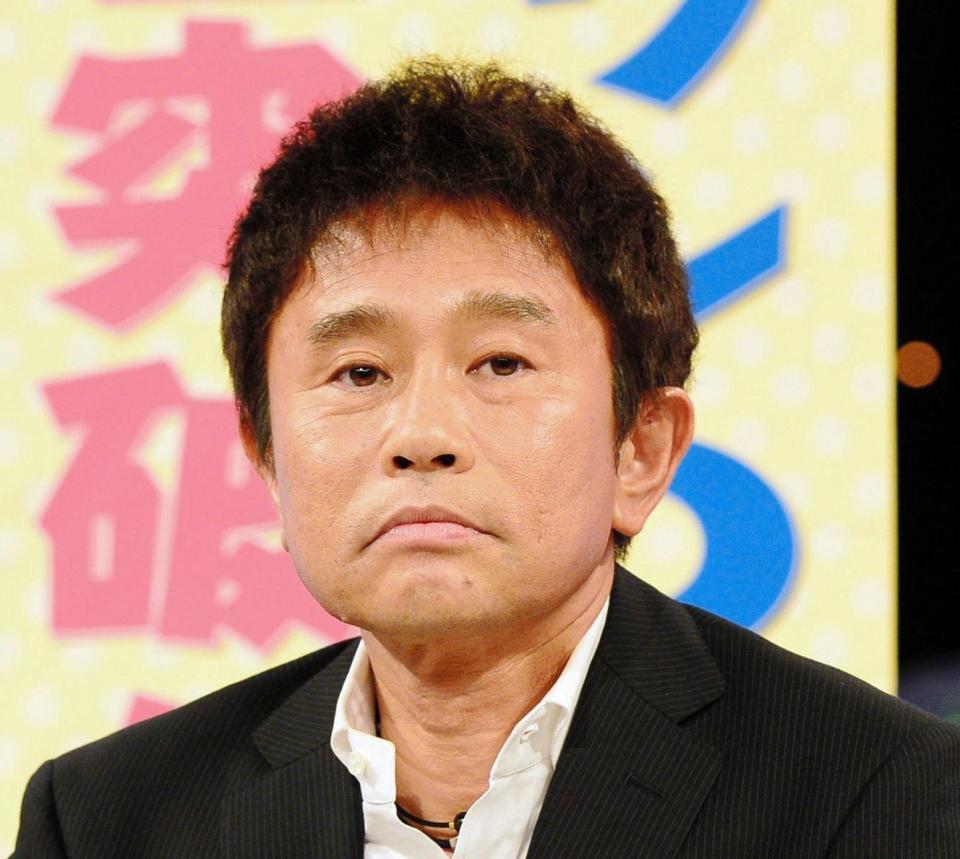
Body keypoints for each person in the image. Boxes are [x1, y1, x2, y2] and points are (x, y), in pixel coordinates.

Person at [14, 59, 960, 858]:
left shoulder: (876, 793)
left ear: (641, 447)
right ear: (266, 455)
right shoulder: (107, 819)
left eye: (501, 363)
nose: (422, 434)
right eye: (358, 372)